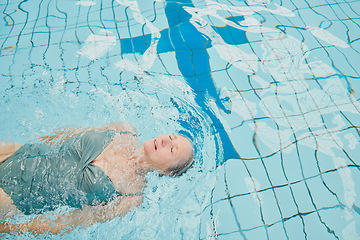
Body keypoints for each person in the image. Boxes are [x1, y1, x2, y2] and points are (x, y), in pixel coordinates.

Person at [0, 122, 194, 235]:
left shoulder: (130, 196)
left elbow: (68, 222)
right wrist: (31, 144)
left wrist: (9, 228)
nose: (166, 140)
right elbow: (64, 135)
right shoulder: (124, 129)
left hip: (17, 195)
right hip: (20, 152)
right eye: (172, 136)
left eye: (172, 149)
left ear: (166, 172)